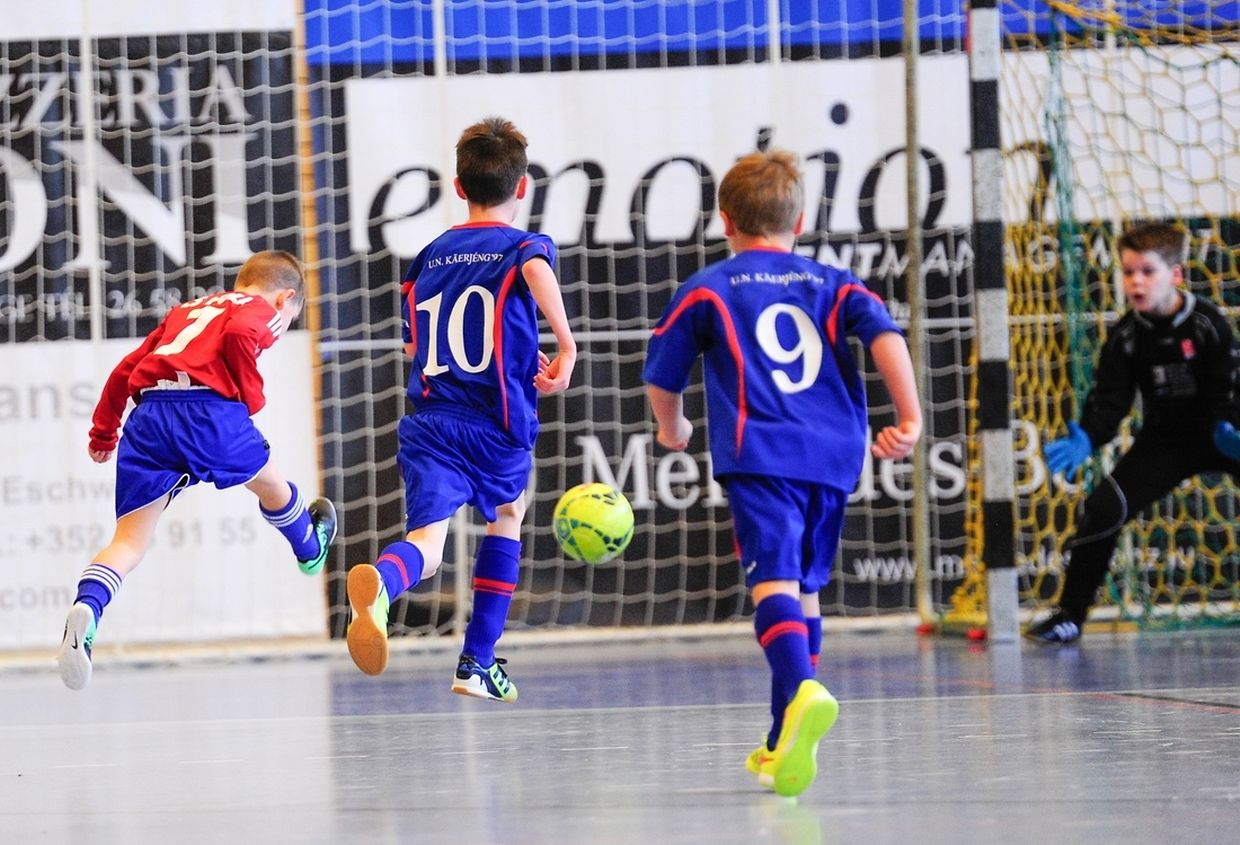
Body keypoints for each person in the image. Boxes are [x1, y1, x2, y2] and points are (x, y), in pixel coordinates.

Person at [642, 150, 922, 797]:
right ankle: (780, 739)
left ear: (725, 220)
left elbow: (662, 376)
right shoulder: (833, 281)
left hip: (762, 452)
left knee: (771, 582)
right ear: (799, 223)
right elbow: (886, 336)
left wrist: (672, 427)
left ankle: (800, 692)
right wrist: (908, 417)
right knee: (805, 588)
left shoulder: (710, 287)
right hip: (833, 455)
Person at [344, 116, 576, 701]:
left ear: (458, 186)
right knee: (509, 514)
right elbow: (535, 269)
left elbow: (414, 347)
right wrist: (566, 346)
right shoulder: (523, 246)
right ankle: (477, 660)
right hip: (494, 424)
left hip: (429, 422)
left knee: (426, 547)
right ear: (522, 187)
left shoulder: (427, 256)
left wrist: (512, 345)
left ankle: (383, 585)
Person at [57, 250, 338, 690]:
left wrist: (103, 433)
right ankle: (308, 545)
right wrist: (249, 399)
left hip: (149, 416)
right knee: (272, 484)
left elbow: (125, 370)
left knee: (128, 541)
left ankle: (88, 608)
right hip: (207, 413)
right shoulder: (262, 309)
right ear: (285, 299)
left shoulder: (187, 310)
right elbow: (242, 334)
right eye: (289, 319)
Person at [1029, 222, 1240, 644]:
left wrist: (1228, 424)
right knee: (1104, 507)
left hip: (1223, 434)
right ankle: (1070, 616)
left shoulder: (1207, 323)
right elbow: (1111, 401)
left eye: (1147, 271)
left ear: (1175, 275)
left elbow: (1230, 383)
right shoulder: (1126, 336)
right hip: (1166, 442)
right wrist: (1088, 437)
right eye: (1128, 272)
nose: (1136, 282)